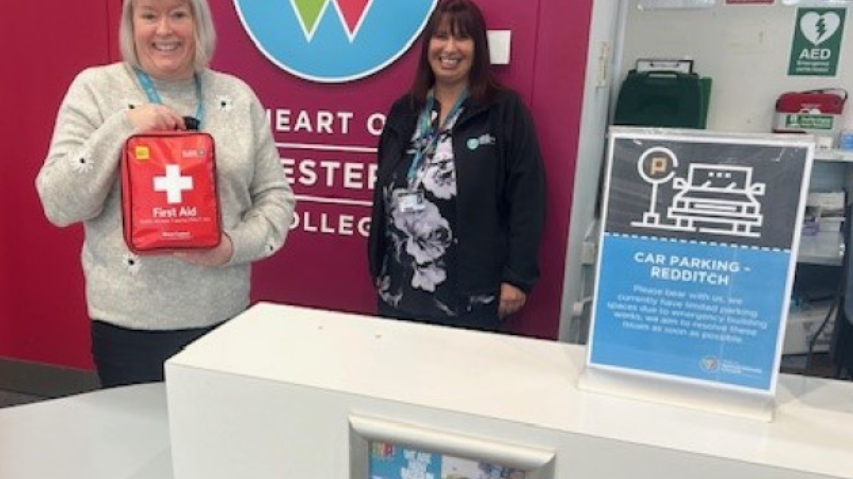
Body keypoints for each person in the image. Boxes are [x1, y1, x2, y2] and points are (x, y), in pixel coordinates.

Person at [35, 0, 295, 387]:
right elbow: (58, 203)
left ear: (198, 22)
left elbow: (277, 199)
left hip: (221, 320)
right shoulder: (96, 89)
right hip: (129, 328)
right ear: (131, 23)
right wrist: (122, 127)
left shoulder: (237, 97)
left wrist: (230, 247)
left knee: (215, 441)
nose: (164, 30)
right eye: (149, 15)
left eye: (178, 14)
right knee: (135, 444)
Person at [367, 0, 546, 332]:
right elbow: (384, 185)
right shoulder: (404, 111)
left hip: (470, 296)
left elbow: (527, 199)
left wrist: (518, 277)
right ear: (427, 47)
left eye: (462, 38)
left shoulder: (503, 111)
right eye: (440, 37)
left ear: (477, 47)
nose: (449, 48)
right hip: (398, 287)